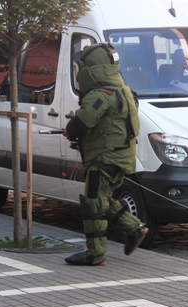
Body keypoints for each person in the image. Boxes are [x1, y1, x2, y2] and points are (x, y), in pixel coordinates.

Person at [62, 43, 148, 266]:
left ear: (91, 70)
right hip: (120, 158)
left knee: (92, 205)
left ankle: (95, 254)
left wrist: (69, 130)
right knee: (103, 201)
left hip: (104, 159)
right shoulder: (125, 92)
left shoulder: (101, 95)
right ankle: (135, 229)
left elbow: (81, 123)